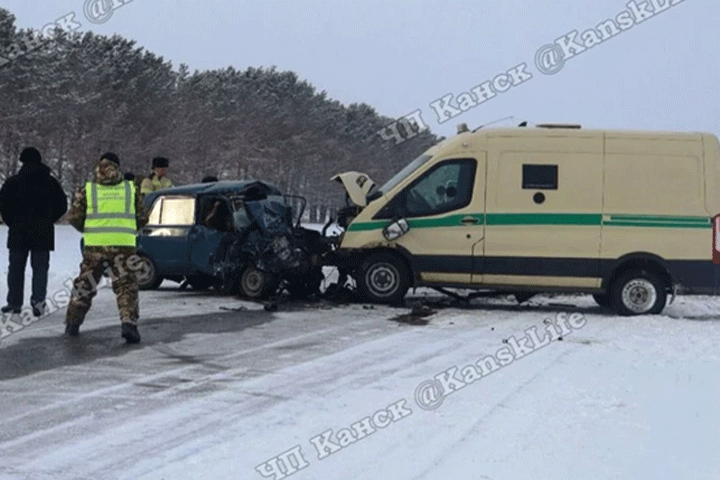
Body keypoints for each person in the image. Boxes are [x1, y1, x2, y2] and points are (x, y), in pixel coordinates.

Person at [64, 152, 148, 344]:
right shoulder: (131, 189)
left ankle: (72, 324)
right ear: (117, 167)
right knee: (126, 285)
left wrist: (90, 230)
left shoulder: (88, 190)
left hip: (95, 245)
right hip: (124, 245)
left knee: (85, 284)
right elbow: (143, 218)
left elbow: (74, 217)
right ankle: (129, 323)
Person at [0, 147, 68, 316]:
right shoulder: (50, 182)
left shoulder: (13, 182)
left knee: (16, 269)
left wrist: (13, 222)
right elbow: (62, 205)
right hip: (42, 231)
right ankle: (38, 303)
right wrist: (48, 220)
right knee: (40, 269)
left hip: (18, 231)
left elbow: (3, 206)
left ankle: (14, 303)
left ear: (22, 161)